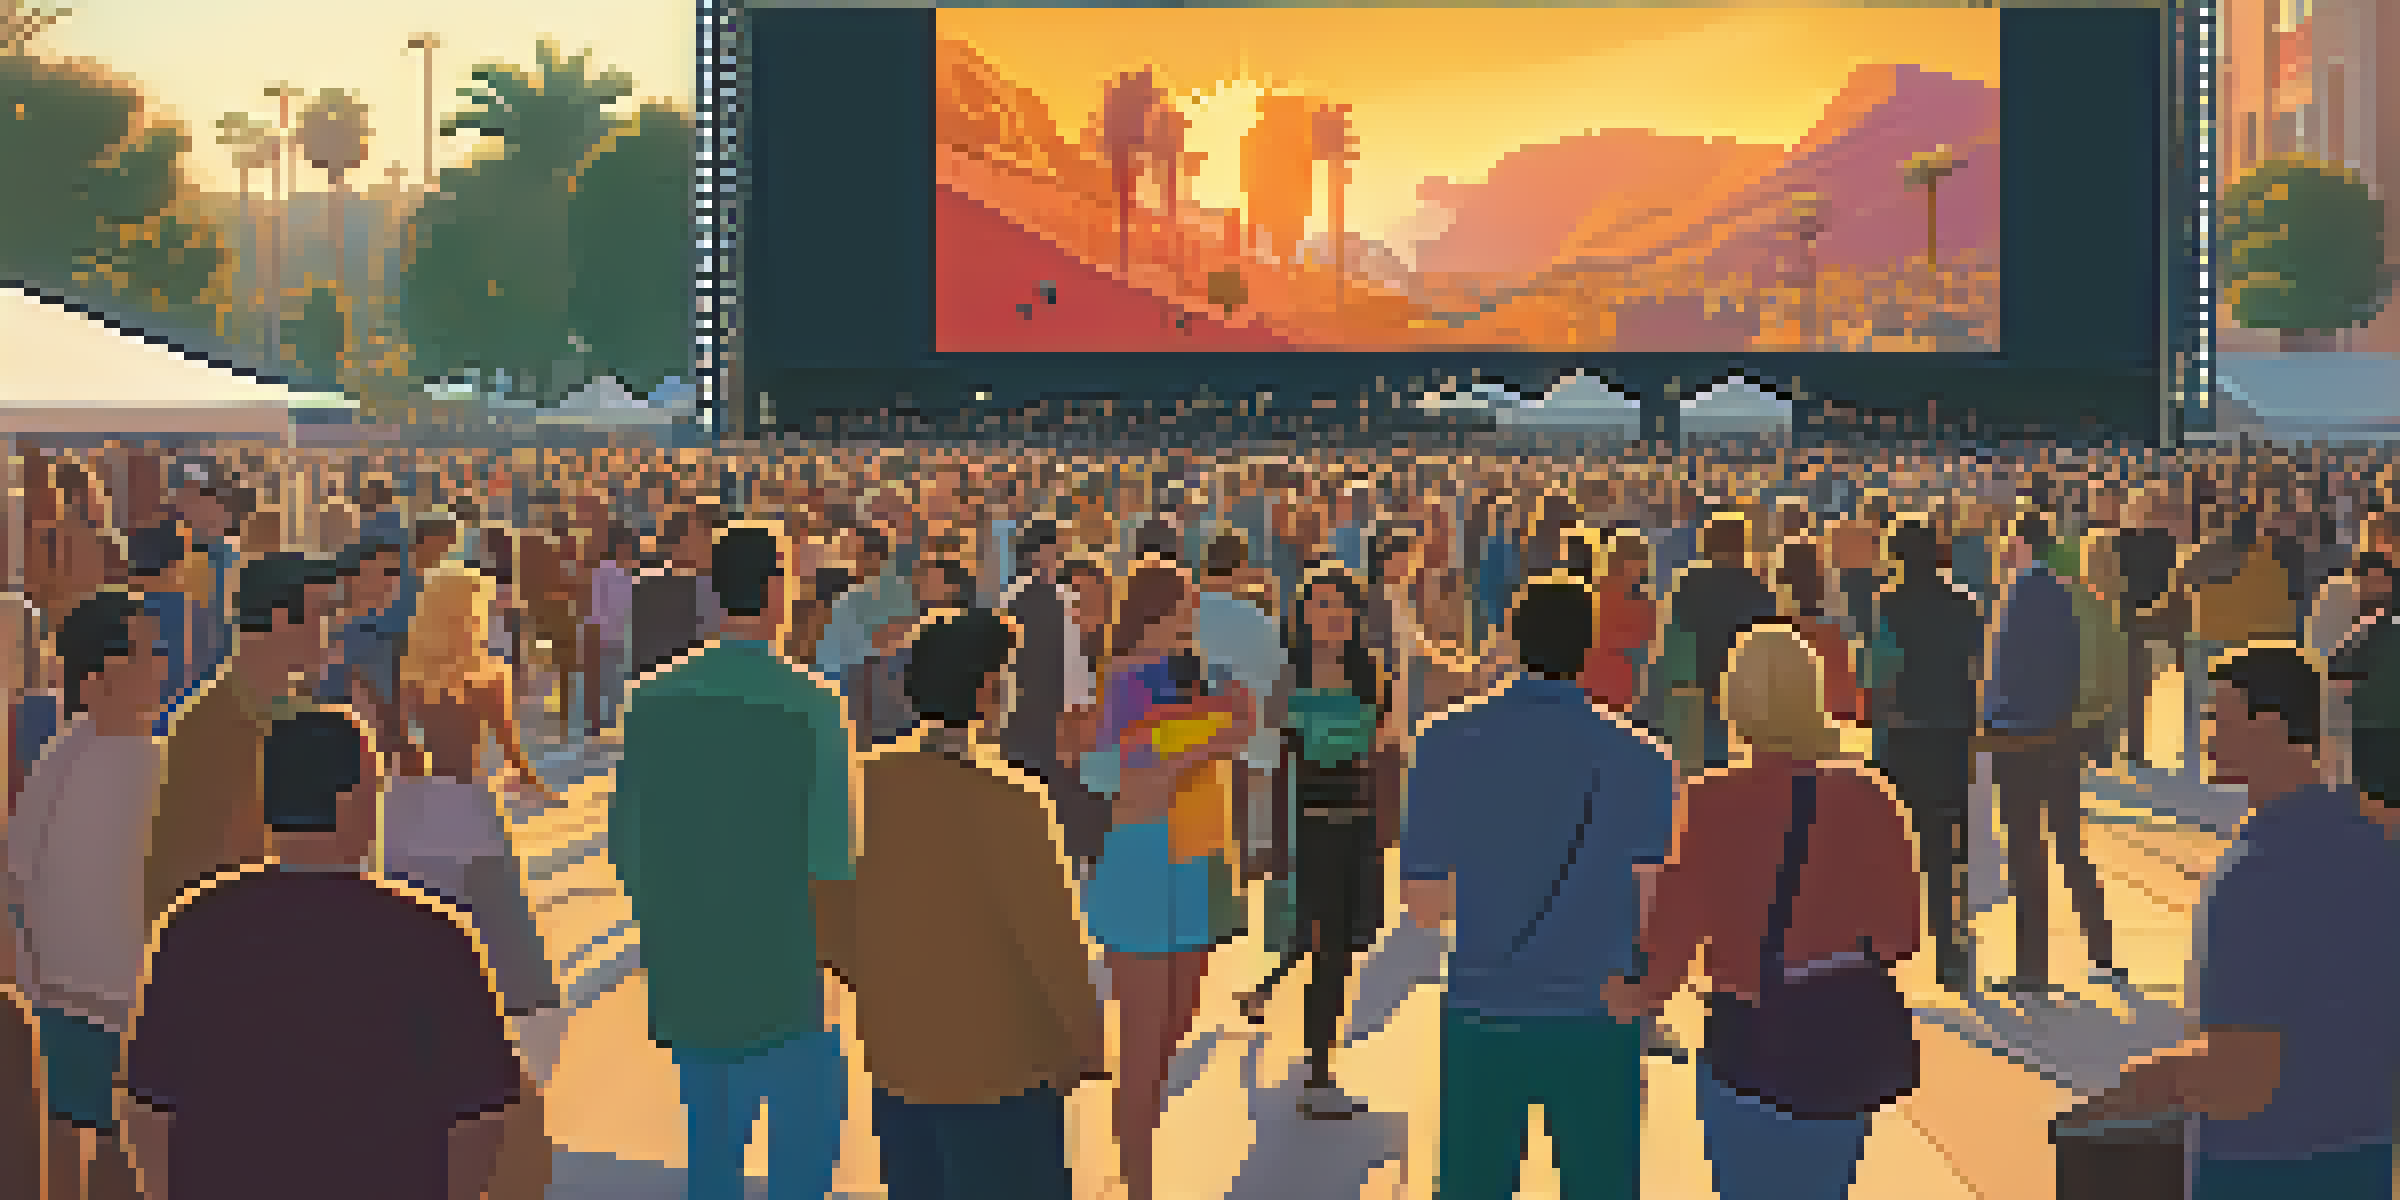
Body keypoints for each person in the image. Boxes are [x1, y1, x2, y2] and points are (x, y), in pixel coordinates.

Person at [119, 708, 529, 1200]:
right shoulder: (433, 938)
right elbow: (481, 1116)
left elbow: (148, 1106)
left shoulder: (192, 929)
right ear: (351, 803)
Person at [2075, 644, 2400, 1198]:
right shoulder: (2376, 843)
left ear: (2269, 727)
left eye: (2219, 722)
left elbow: (2242, 1079)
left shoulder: (2259, 871)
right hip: (2364, 1159)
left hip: (2263, 1169)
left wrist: (2136, 1091)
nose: (2207, 739)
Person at [1611, 623, 1921, 1200]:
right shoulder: (1868, 796)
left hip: (1746, 1031)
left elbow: (1672, 937)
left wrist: (1638, 1000)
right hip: (1838, 1032)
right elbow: (1902, 937)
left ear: (1735, 706)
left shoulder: (1709, 800)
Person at [816, 608, 1104, 1200]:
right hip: (1003, 1069)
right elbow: (1053, 944)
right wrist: (1086, 1040)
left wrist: (888, 987)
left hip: (898, 1060)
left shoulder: (862, 787)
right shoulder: (1012, 803)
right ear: (986, 691)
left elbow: (830, 920)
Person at [1402, 576, 1675, 1200]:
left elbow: (1424, 906)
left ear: (1513, 641)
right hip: (1597, 1012)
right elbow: (1651, 909)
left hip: (1483, 1008)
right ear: (1590, 648)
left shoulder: (1443, 741)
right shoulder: (1644, 758)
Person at [611, 523, 857, 1200]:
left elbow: (627, 845)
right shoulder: (812, 703)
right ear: (776, 591)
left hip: (690, 963)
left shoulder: (651, 700)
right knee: (803, 1155)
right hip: (784, 966)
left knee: (712, 1154)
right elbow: (832, 855)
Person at [1077, 560, 1256, 1200]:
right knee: (1144, 1039)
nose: (1194, 611)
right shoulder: (1119, 681)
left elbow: (1239, 730)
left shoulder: (1199, 672)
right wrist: (1209, 744)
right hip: (1142, 861)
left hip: (1199, 857)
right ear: (1159, 609)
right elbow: (1121, 778)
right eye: (1185, 601)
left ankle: (1135, 1149)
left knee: (1178, 1022)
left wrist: (1207, 740)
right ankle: (1139, 1182)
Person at [7, 591, 166, 1200]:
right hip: (110, 1010)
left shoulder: (61, 757)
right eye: (144, 652)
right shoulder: (140, 765)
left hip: (65, 1002)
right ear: (98, 676)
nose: (160, 664)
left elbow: (17, 879)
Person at [1237, 564, 1390, 1119]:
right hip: (1306, 828)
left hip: (1356, 826)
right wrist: (1265, 841)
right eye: (1320, 605)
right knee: (1321, 945)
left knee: (1342, 946)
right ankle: (1318, 1074)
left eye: (1339, 605)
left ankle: (1309, 1052)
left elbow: (1383, 752)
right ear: (1303, 615)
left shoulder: (1370, 672)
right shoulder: (1287, 677)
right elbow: (1272, 760)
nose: (1332, 616)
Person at [386, 566, 561, 1016]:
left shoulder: (410, 674)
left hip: (417, 806)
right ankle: (510, 999)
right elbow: (509, 748)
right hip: (469, 803)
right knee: (495, 913)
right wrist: (536, 785)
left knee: (425, 908)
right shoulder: (485, 676)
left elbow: (404, 747)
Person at [142, 552, 340, 930]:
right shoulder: (206, 731)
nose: (329, 632)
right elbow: (181, 876)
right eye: (321, 615)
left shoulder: (304, 717)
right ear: (280, 620)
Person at [1981, 510, 2113, 994]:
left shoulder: (2023, 592)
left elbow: (2006, 672)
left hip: (2019, 736)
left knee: (2025, 852)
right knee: (2069, 844)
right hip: (2061, 730)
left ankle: (2033, 965)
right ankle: (2102, 947)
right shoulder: (2066, 591)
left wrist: (1989, 720)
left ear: (2019, 542)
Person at [1661, 511, 1781, 773]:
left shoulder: (1689, 583)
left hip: (1695, 688)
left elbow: (1674, 639)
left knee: (1696, 767)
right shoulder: (1759, 588)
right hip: (1743, 692)